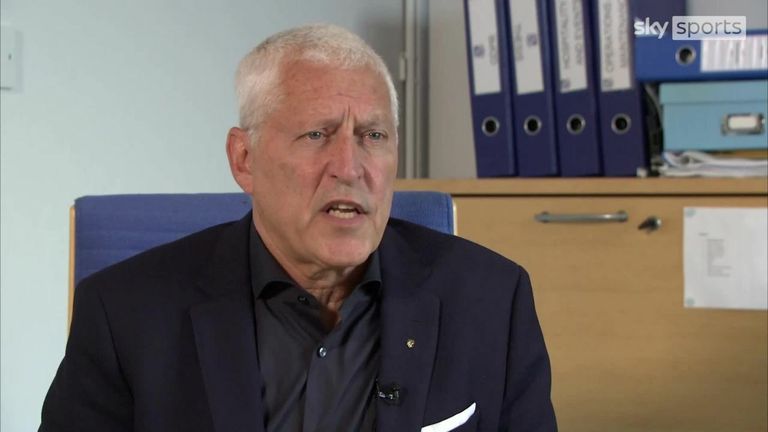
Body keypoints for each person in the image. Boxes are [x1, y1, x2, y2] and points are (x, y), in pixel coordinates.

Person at [40, 24, 556, 431]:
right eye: (317, 135)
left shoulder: (493, 301)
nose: (350, 167)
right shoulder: (125, 315)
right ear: (244, 159)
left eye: (373, 135)